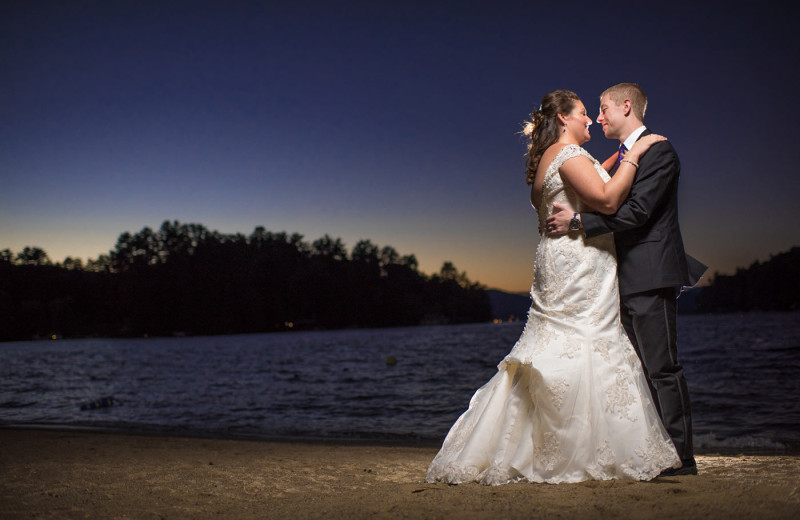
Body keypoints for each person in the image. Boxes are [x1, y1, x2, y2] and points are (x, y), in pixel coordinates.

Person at [425, 89, 680, 486]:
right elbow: (609, 200)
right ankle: (588, 448)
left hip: (556, 263)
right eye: (582, 113)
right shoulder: (570, 156)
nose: (590, 120)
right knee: (587, 342)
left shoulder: (554, 159)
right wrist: (636, 151)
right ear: (563, 119)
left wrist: (617, 158)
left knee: (558, 346)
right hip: (579, 263)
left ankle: (537, 442)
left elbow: (589, 173)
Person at [545, 83, 706, 476]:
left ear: (626, 107)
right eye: (594, 112)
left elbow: (637, 212)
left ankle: (682, 458)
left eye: (603, 109)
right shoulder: (624, 157)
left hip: (650, 274)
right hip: (620, 278)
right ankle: (654, 450)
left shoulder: (660, 152)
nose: (598, 118)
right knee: (636, 371)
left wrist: (579, 221)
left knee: (662, 368)